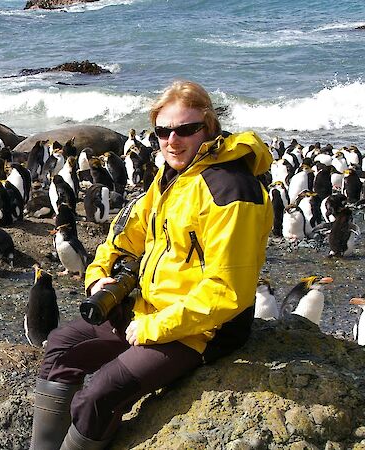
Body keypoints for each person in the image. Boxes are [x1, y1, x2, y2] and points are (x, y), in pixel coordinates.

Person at [30, 80, 273, 450]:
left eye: (186, 129)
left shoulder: (231, 191)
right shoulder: (171, 175)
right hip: (151, 307)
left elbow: (228, 290)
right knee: (61, 347)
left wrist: (155, 327)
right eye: (163, 131)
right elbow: (127, 232)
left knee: (101, 393)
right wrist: (99, 276)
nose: (172, 140)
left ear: (208, 128)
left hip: (202, 328)